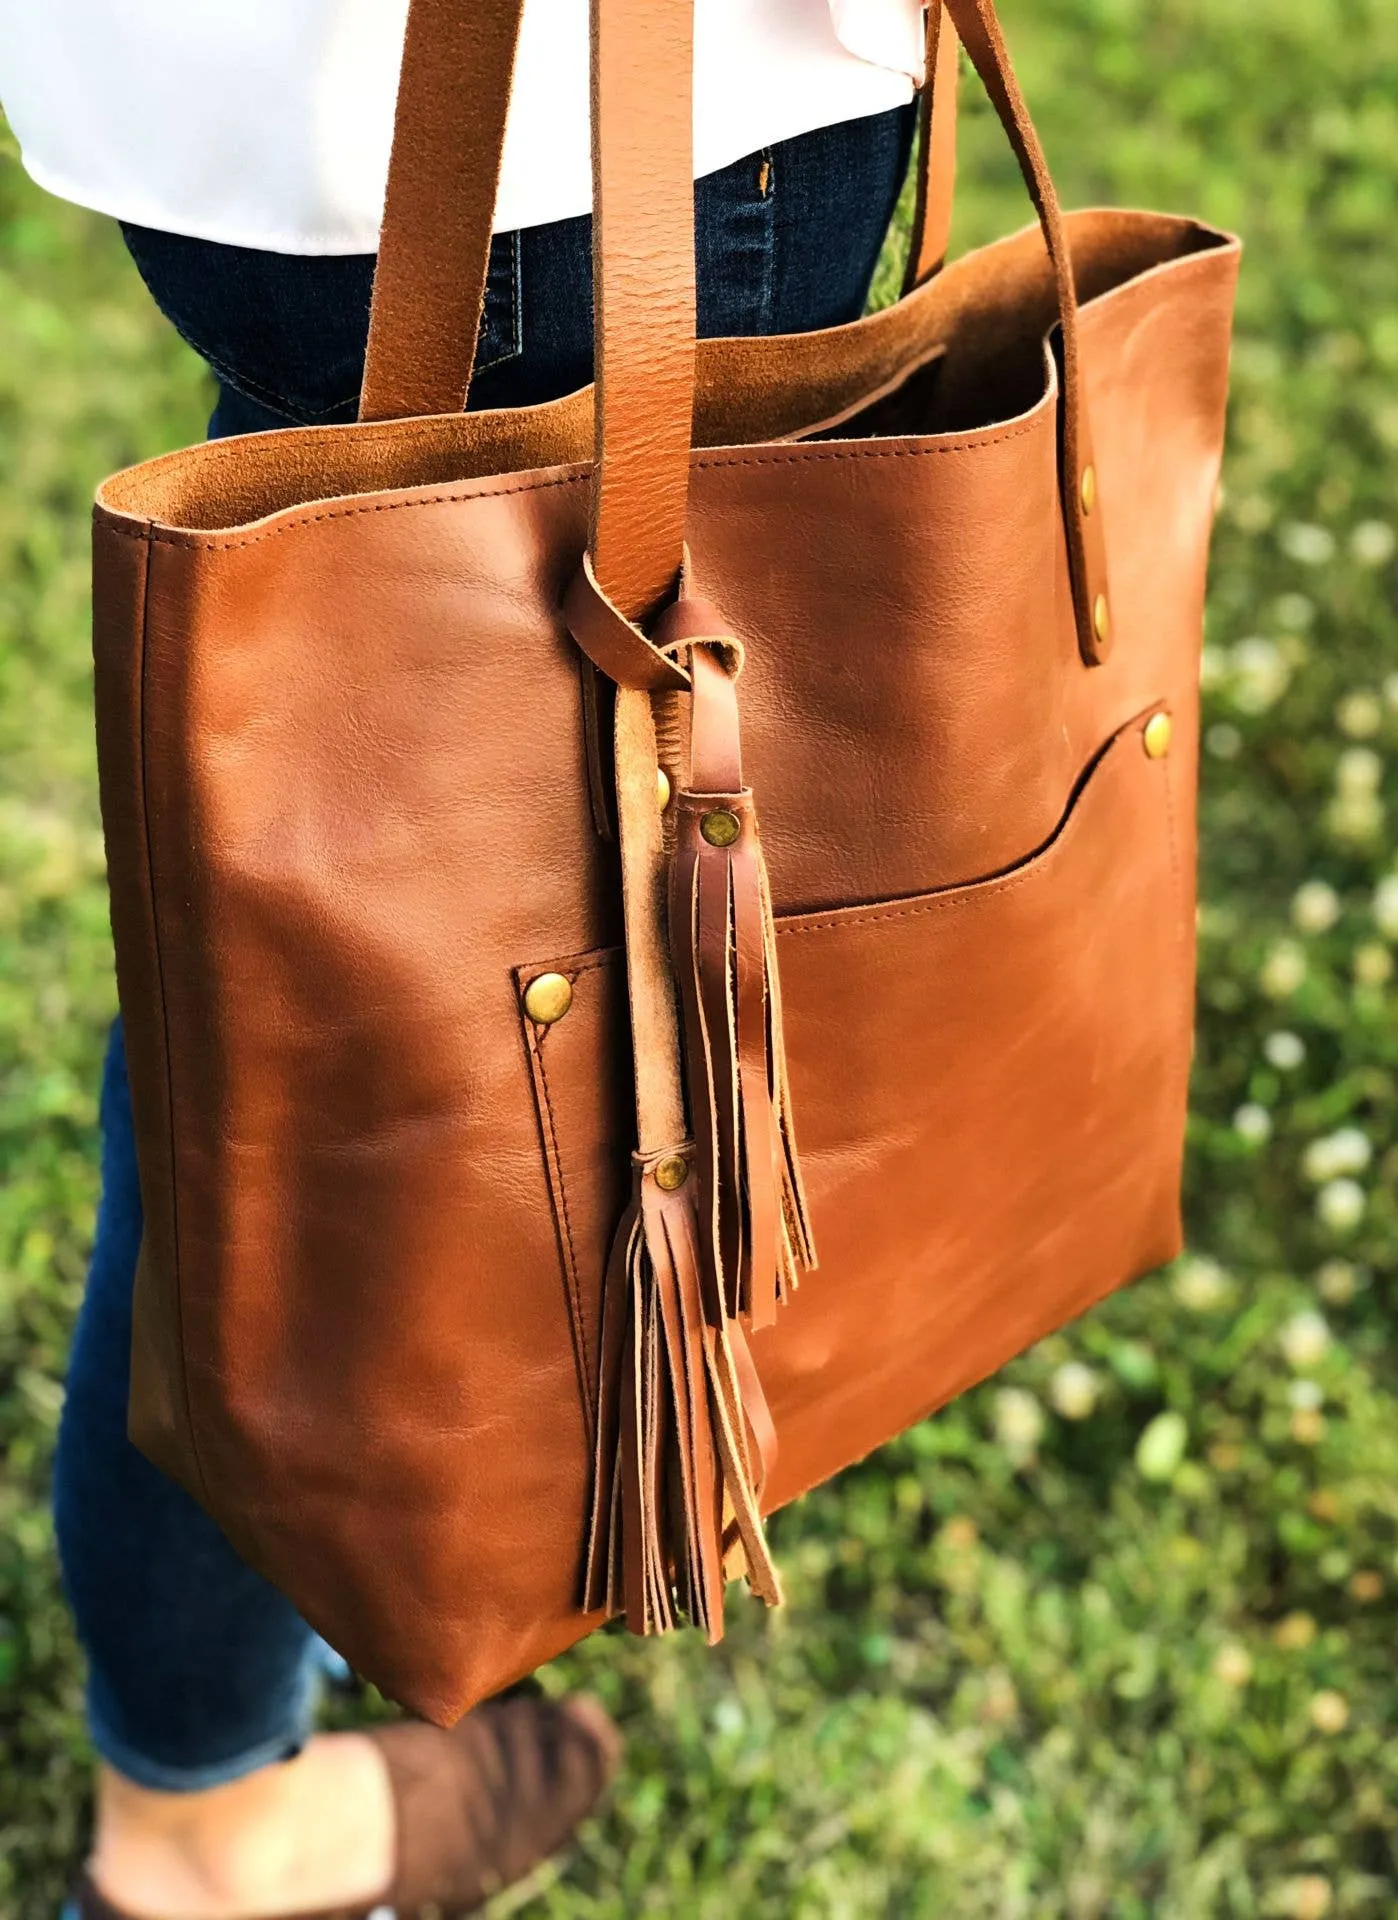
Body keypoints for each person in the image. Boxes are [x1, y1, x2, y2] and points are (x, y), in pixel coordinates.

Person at [0, 1, 927, 1913]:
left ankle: (261, 1693)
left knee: (305, 978)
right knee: (338, 1011)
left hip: (245, 107)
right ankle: (212, 1833)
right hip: (616, 118)